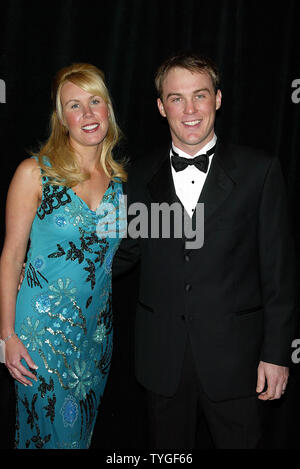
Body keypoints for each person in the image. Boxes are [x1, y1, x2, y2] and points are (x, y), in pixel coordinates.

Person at [113, 53, 296, 449]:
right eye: (176, 98)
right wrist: (56, 268)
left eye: (200, 95)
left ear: (217, 99)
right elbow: (123, 253)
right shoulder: (138, 177)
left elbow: (278, 272)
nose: (190, 109)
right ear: (162, 107)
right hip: (162, 358)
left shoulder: (259, 172)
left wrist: (277, 354)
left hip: (237, 360)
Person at [0, 63, 126, 449]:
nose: (87, 114)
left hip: (96, 335)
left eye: (95, 101)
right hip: (41, 334)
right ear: (62, 118)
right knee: (50, 435)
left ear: (108, 109)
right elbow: (10, 256)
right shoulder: (34, 173)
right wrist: (6, 336)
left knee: (81, 436)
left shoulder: (120, 183)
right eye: (75, 105)